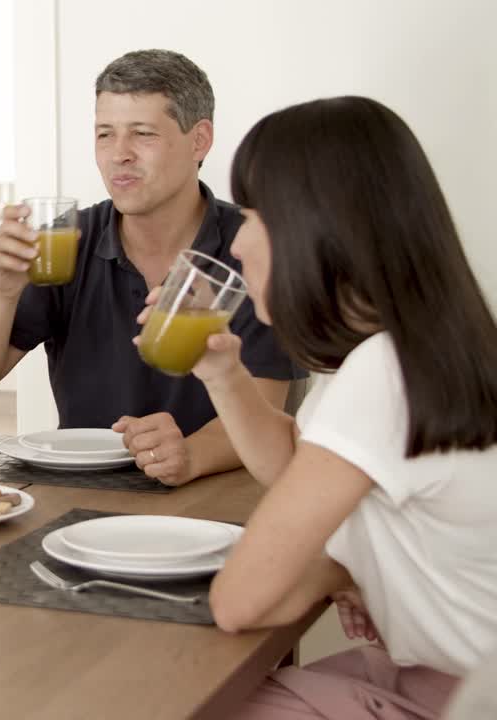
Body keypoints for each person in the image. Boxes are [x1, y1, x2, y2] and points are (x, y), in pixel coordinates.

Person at [184, 96, 497, 716]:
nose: (239, 243)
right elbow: (297, 468)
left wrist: (334, 568)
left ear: (321, 227)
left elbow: (239, 601)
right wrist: (224, 372)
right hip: (440, 678)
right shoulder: (414, 352)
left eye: (257, 215)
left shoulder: (385, 375)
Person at [0, 49, 302, 486]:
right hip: (79, 489)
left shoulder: (252, 249)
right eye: (104, 134)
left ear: (200, 140)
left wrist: (188, 454)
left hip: (211, 492)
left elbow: (269, 410)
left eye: (142, 134)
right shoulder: (68, 241)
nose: (119, 155)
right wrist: (1, 292)